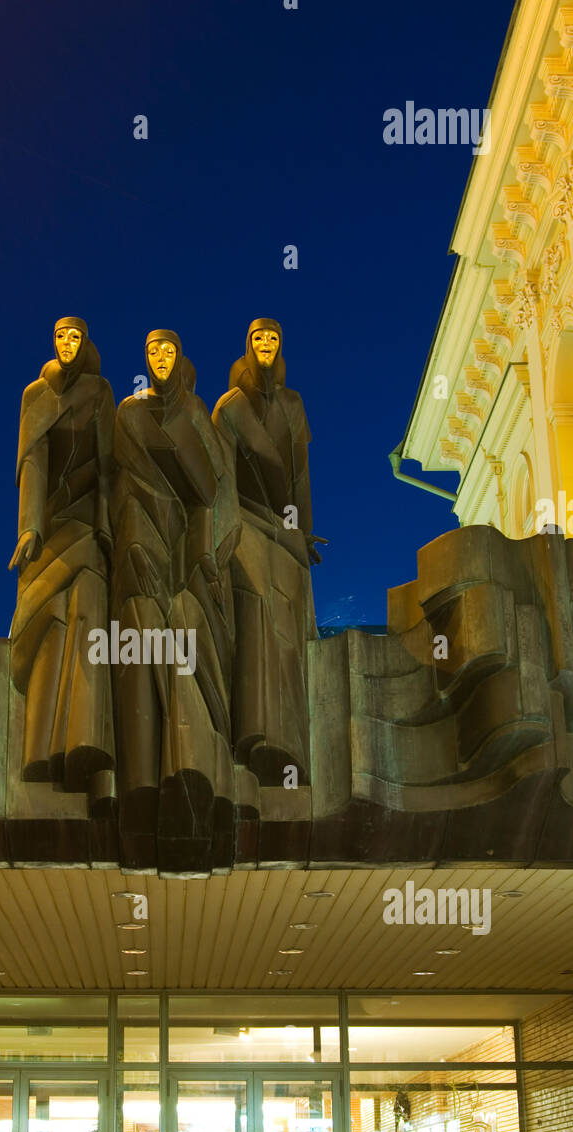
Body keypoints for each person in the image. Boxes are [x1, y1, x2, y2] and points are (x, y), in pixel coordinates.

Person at [110, 329, 236, 864]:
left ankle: (202, 750)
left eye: (167, 352)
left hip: (192, 545)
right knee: (144, 622)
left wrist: (206, 553)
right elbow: (125, 482)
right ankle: (155, 767)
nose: (160, 360)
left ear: (179, 358)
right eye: (151, 353)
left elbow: (215, 489)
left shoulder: (197, 414)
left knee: (189, 622)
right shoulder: (130, 414)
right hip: (144, 534)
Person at [9, 317, 115, 792]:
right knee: (46, 623)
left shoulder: (100, 391)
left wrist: (107, 527)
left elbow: (113, 464)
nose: (67, 345)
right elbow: (32, 461)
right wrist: (29, 528)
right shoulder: (36, 394)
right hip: (49, 528)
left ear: (85, 343)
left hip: (89, 523)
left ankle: (85, 744)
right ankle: (40, 753)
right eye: (60, 337)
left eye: (75, 337)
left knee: (87, 614)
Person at [213, 318, 320, 784]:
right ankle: (254, 732)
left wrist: (304, 531)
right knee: (258, 602)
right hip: (244, 523)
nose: (266, 345)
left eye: (273, 339)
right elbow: (219, 477)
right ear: (248, 346)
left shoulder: (294, 404)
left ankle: (292, 738)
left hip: (285, 531)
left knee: (292, 610)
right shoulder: (229, 408)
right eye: (258, 339)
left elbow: (299, 475)